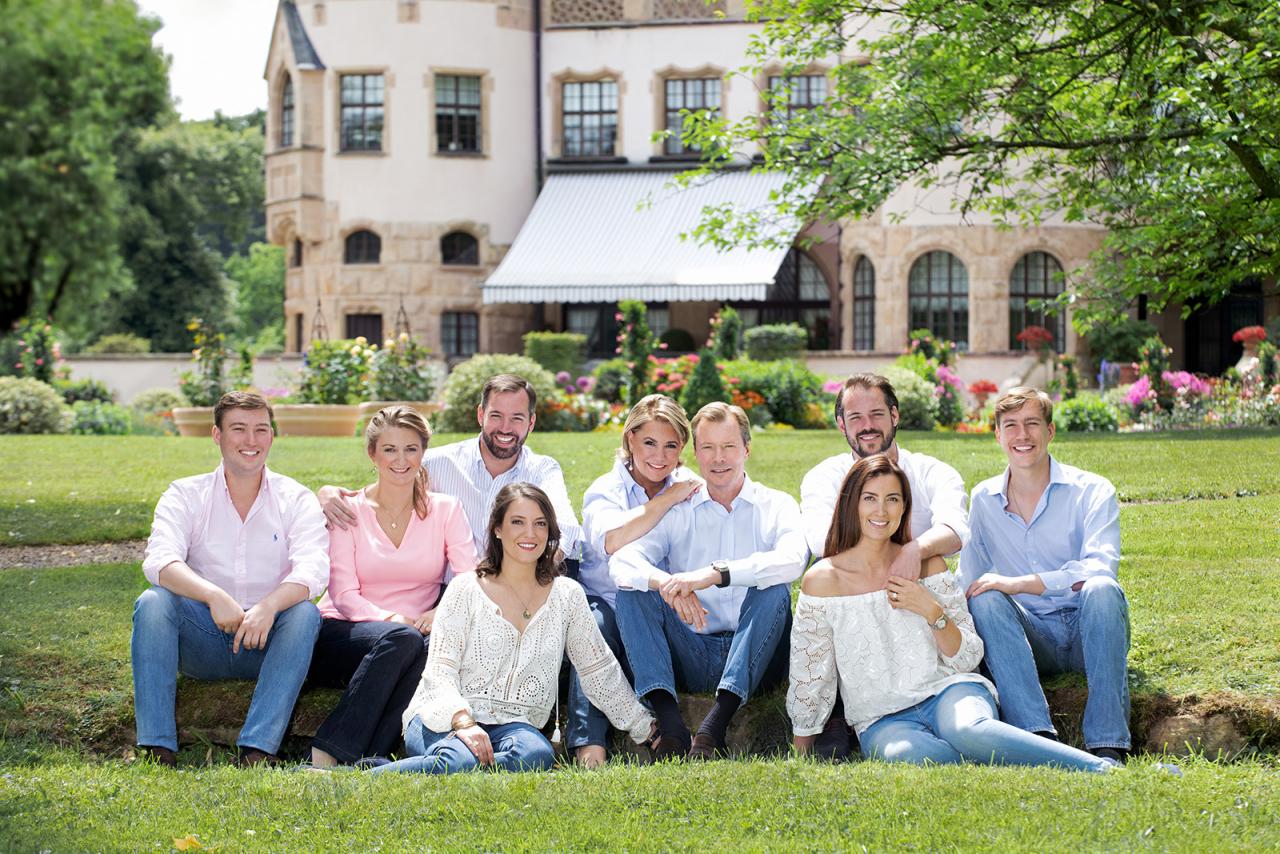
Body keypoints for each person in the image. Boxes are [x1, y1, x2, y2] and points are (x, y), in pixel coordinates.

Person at [788, 454, 1113, 772]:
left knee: (968, 730)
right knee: (909, 756)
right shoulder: (822, 581)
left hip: (950, 690)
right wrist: (801, 753)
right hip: (881, 718)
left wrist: (931, 610)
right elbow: (811, 672)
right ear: (851, 505)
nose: (881, 510)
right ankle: (1017, 765)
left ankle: (1101, 769)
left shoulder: (928, 565)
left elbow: (967, 657)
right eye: (869, 498)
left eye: (892, 499)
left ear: (904, 508)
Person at [371, 483, 654, 775]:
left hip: (515, 727)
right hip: (445, 717)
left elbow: (598, 671)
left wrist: (646, 728)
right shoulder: (465, 589)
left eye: (540, 524)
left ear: (550, 533)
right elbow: (440, 671)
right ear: (497, 529)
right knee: (463, 758)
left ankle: (447, 768)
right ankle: (374, 776)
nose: (529, 534)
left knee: (536, 755)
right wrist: (464, 723)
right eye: (517, 522)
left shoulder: (567, 596)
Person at [131, 391, 329, 767]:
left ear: (272, 436)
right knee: (153, 602)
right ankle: (157, 748)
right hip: (203, 637)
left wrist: (269, 607)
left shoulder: (296, 498)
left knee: (305, 614)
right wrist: (212, 596)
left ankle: (258, 749)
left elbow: (313, 571)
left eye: (261, 429)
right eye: (238, 429)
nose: (251, 441)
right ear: (217, 436)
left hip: (270, 640)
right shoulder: (185, 494)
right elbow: (160, 560)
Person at [611, 402, 808, 760]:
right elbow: (623, 561)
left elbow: (794, 560)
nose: (719, 458)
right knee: (632, 594)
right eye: (708, 448)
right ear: (696, 454)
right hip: (692, 651)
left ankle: (714, 727)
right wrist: (667, 585)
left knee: (774, 589)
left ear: (747, 449)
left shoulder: (776, 504)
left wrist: (715, 575)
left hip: (757, 652)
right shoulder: (680, 509)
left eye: (729, 446)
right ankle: (671, 728)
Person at [798, 372, 971, 757]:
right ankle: (840, 716)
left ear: (895, 415)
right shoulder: (823, 478)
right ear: (841, 424)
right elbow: (820, 543)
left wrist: (913, 550)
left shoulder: (931, 471)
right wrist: (880, 557)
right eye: (855, 417)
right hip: (862, 611)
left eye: (877, 413)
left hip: (922, 612)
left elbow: (957, 528)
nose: (867, 426)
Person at [959, 387, 1131, 763]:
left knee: (1101, 588)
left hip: (1091, 633)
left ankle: (1108, 743)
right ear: (998, 435)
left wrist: (1019, 583)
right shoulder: (984, 499)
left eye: (1032, 424)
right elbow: (966, 579)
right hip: (1031, 638)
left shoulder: (1093, 490)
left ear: (1050, 431)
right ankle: (1035, 736)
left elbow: (1100, 567)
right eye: (1011, 426)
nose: (1022, 436)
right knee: (984, 596)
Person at [308, 406, 478, 768]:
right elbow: (344, 594)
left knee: (430, 647)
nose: (401, 460)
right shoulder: (347, 510)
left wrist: (437, 613)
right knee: (404, 640)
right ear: (372, 454)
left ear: (422, 453)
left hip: (413, 634)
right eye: (389, 449)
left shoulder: (446, 510)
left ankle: (372, 758)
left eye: (411, 449)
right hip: (345, 631)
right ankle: (327, 754)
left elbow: (468, 578)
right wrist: (391, 619)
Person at [320, 374, 582, 567]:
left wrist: (538, 567)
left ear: (531, 422)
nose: (505, 428)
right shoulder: (437, 463)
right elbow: (388, 484)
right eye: (496, 416)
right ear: (480, 415)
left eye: (517, 418)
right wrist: (327, 493)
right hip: (454, 589)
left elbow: (566, 527)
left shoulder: (542, 469)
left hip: (521, 583)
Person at [573, 394, 702, 767]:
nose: (660, 457)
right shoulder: (605, 490)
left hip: (662, 604)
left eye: (671, 446)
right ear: (630, 438)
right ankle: (589, 744)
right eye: (649, 443)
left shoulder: (686, 485)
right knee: (594, 632)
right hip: (608, 600)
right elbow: (613, 540)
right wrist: (665, 500)